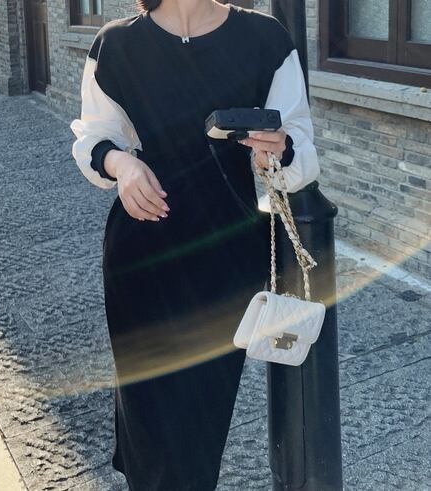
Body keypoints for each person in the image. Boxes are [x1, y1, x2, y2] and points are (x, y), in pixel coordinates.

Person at [70, 1, 320, 489]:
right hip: (141, 253)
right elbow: (93, 139)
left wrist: (276, 151)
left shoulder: (265, 40)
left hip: (226, 254)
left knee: (203, 415)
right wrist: (123, 165)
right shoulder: (116, 44)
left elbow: (301, 150)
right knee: (144, 406)